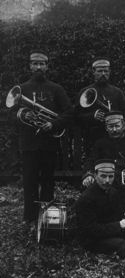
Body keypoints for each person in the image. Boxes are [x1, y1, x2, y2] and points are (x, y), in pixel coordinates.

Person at [9, 50, 72, 225]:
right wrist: (24, 116)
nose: (38, 67)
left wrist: (53, 124)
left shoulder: (56, 89)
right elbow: (11, 116)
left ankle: (46, 217)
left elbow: (69, 112)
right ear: (30, 66)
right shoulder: (22, 89)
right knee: (29, 181)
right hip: (28, 144)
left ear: (47, 67)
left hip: (49, 143)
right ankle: (29, 217)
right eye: (35, 64)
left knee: (48, 181)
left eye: (42, 64)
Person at [81, 111, 125, 208]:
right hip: (107, 184)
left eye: (117, 126)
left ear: (123, 126)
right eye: (110, 127)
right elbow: (91, 160)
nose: (114, 130)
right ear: (106, 128)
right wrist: (88, 175)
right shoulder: (100, 143)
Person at [75, 58, 125, 158]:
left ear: (110, 72)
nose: (103, 74)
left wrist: (116, 119)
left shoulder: (117, 92)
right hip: (92, 138)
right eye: (100, 71)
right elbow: (76, 116)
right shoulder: (85, 91)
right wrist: (92, 116)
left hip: (114, 138)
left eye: (106, 71)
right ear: (93, 72)